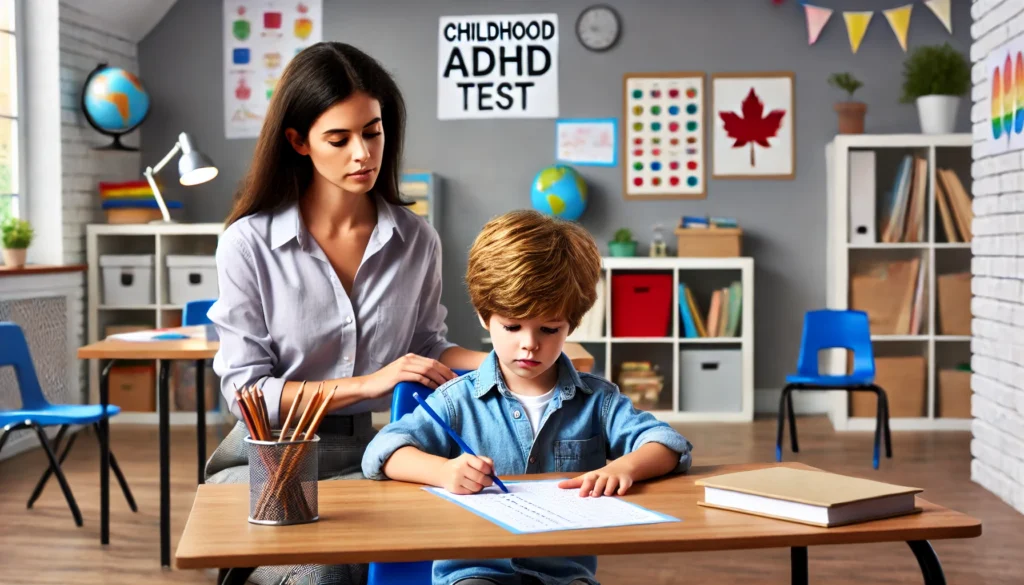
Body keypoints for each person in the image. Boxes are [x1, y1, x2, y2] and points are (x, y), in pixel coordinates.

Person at [205, 41, 487, 585]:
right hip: (267, 459)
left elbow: (426, 348)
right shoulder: (248, 243)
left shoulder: (416, 240)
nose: (363, 153)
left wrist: (504, 355)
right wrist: (368, 383)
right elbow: (245, 392)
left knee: (444, 561)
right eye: (339, 138)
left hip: (377, 453)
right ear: (298, 141)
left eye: (373, 132)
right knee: (325, 574)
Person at [361, 210, 694, 585]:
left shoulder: (596, 401)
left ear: (572, 323)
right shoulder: (457, 400)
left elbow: (668, 444)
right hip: (475, 573)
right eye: (512, 326)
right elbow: (383, 450)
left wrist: (623, 468)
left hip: (565, 577)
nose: (529, 344)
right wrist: (443, 471)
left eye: (549, 329)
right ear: (485, 317)